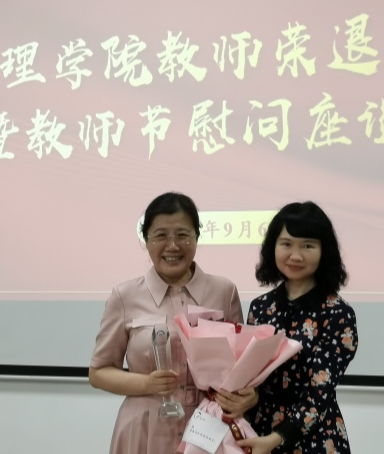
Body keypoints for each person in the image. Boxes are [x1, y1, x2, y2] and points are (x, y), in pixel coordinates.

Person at [89, 192, 257, 454]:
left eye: (182, 235)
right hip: (144, 429)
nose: (172, 246)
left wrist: (249, 396)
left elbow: (239, 369)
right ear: (146, 240)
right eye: (161, 236)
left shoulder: (224, 291)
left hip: (207, 430)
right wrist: (147, 384)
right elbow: (99, 372)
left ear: (197, 237)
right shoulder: (125, 296)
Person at [237, 201, 359, 454]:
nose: (295, 255)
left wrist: (278, 438)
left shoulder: (338, 313)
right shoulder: (261, 307)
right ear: (273, 247)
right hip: (260, 432)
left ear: (324, 251)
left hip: (315, 437)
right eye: (286, 244)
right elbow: (251, 375)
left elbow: (319, 393)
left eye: (308, 245)